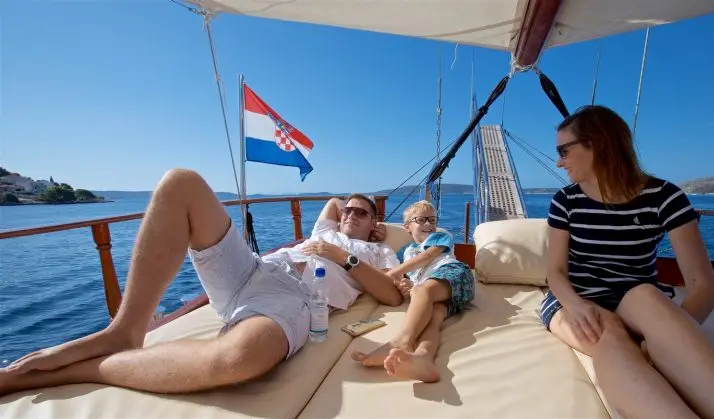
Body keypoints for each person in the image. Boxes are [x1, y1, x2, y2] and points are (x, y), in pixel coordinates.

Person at [0, 168, 403, 397]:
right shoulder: (326, 225)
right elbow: (334, 202)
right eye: (348, 209)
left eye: (362, 213)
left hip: (294, 298)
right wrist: (349, 212)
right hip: (254, 270)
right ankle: (125, 331)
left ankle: (68, 372)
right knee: (182, 183)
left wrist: (344, 254)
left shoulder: (375, 252)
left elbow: (389, 292)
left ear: (375, 225)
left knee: (238, 359)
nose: (350, 213)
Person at [541, 105, 714, 418]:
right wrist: (576, 306)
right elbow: (555, 272)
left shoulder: (664, 196)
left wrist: (665, 340)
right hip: (575, 298)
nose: (559, 161)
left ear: (598, 143)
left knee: (646, 295)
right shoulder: (565, 201)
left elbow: (703, 286)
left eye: (563, 150)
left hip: (639, 298)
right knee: (609, 332)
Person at [351, 200, 475, 383]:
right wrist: (406, 286)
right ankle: (424, 359)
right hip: (441, 294)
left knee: (421, 291)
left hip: (454, 274)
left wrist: (396, 274)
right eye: (422, 220)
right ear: (407, 227)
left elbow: (427, 257)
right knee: (433, 319)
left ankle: (402, 342)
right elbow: (408, 277)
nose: (429, 224)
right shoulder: (405, 252)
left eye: (432, 220)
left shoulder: (440, 237)